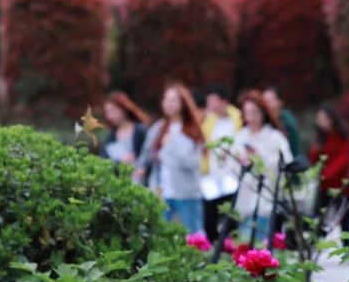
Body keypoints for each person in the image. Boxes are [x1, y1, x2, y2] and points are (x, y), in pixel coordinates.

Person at [136, 83, 206, 234]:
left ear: (183, 103)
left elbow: (192, 163)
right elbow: (145, 157)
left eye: (173, 100)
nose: (169, 104)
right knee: (159, 235)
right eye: (166, 99)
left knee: (193, 236)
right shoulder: (158, 128)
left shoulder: (191, 130)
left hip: (186, 193)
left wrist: (172, 144)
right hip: (161, 192)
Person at [231, 91, 293, 244]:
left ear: (263, 113)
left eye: (255, 112)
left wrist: (261, 159)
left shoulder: (274, 137)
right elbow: (231, 166)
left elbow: (286, 164)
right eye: (247, 113)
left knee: (260, 243)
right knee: (244, 243)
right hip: (244, 199)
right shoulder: (240, 137)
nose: (251, 117)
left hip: (266, 198)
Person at [309, 104, 349, 248]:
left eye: (324, 119)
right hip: (325, 185)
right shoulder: (319, 136)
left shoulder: (341, 134)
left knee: (344, 217)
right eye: (319, 119)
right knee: (319, 216)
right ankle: (315, 245)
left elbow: (344, 158)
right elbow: (315, 160)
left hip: (341, 184)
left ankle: (347, 247)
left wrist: (328, 173)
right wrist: (315, 150)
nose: (321, 122)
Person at [201, 85, 243, 237]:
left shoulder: (238, 118)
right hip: (212, 175)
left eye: (213, 101)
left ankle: (232, 242)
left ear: (224, 101)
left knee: (231, 214)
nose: (209, 105)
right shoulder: (209, 121)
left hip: (233, 175)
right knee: (210, 213)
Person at [99, 91, 150, 182]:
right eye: (107, 112)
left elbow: (149, 155)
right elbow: (103, 162)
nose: (110, 116)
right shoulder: (110, 137)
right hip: (120, 182)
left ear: (123, 109)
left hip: (141, 180)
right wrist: (120, 163)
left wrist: (143, 167)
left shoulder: (140, 131)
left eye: (113, 110)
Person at [263, 86, 303, 160]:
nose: (265, 105)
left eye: (268, 101)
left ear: (280, 102)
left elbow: (294, 150)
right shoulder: (263, 121)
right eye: (263, 101)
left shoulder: (287, 122)